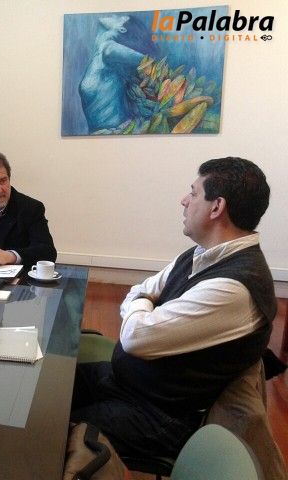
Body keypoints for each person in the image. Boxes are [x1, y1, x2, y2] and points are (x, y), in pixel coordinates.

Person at [70, 157, 277, 460]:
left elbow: (135, 336)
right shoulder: (203, 253)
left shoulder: (234, 288)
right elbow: (141, 290)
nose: (184, 200)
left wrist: (142, 307)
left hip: (160, 416)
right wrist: (144, 304)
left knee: (50, 425)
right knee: (48, 391)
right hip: (130, 384)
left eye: (193, 193)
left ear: (216, 207)